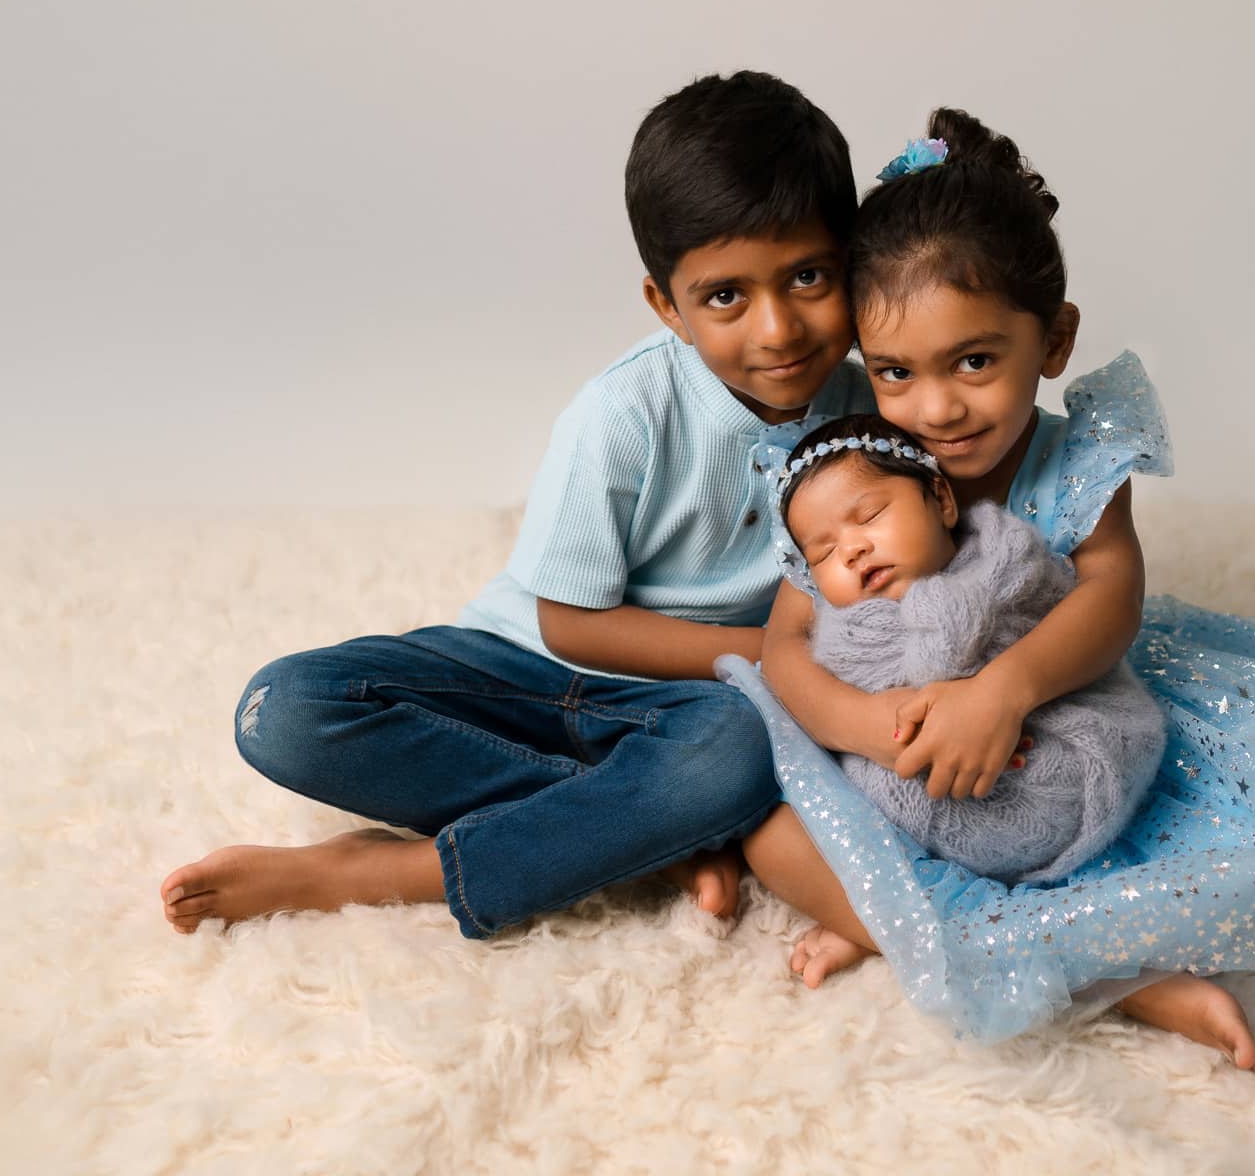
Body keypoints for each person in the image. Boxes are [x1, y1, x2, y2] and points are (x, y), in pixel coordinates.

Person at [723, 110, 1255, 1069]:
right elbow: (785, 640)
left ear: (1052, 340)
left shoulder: (1077, 455)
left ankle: (975, 933)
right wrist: (862, 728)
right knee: (766, 833)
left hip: (1061, 714)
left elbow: (1110, 598)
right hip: (895, 740)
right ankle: (1066, 967)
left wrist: (1000, 692)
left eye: (975, 360)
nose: (937, 408)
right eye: (895, 372)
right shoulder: (857, 464)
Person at [160, 71, 876, 940]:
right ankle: (644, 830)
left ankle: (399, 871)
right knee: (287, 710)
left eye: (808, 277)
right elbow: (573, 626)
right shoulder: (623, 412)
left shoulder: (875, 416)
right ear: (668, 306)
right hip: (518, 671)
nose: (776, 330)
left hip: (689, 710)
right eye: (726, 295)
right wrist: (779, 652)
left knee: (736, 753)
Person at [775, 414, 1166, 884]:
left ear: (941, 500)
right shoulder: (842, 631)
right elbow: (810, 671)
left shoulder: (1004, 560)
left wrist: (985, 695)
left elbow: (1059, 617)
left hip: (1039, 723)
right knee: (820, 809)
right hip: (901, 764)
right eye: (823, 552)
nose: (851, 549)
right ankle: (891, 909)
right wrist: (888, 723)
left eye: (870, 516)